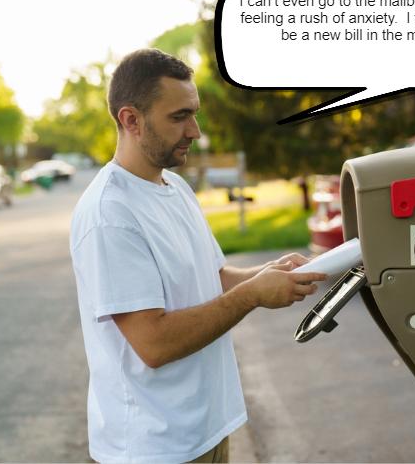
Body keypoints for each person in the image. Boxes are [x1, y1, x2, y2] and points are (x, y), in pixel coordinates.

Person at [69, 48, 326, 463]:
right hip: (153, 448)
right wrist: (253, 295)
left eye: (195, 113)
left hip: (204, 430)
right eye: (178, 117)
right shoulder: (109, 214)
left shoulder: (174, 187)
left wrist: (272, 272)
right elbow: (153, 342)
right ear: (130, 120)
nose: (195, 131)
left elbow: (213, 277)